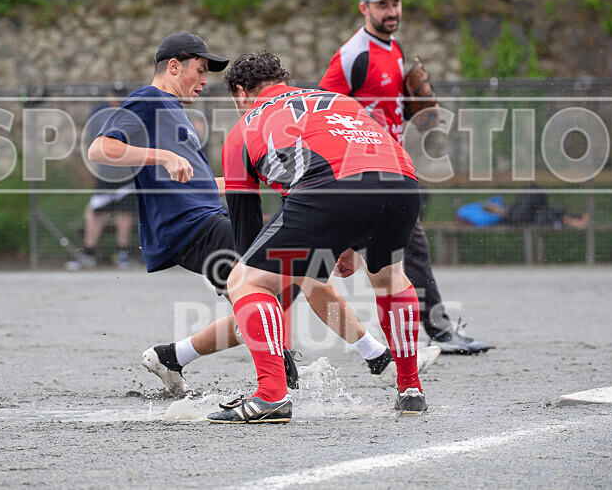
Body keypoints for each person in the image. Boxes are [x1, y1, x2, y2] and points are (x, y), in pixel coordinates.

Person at [86, 33, 439, 397]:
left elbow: (200, 184)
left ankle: (174, 357)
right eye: (200, 70)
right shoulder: (149, 99)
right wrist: (162, 157)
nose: (205, 80)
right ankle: (375, 357)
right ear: (173, 67)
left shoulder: (176, 112)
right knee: (304, 274)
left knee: (268, 294)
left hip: (205, 218)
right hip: (191, 228)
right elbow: (100, 149)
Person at [210, 50, 428, 424]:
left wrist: (248, 286)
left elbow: (247, 227)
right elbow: (359, 160)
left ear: (241, 93)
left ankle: (271, 396)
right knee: (389, 278)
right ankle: (411, 389)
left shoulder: (243, 128)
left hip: (331, 187)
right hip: (403, 181)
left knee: (245, 281)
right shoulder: (337, 100)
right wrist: (345, 239)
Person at [319, 0, 491, 354]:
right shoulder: (353, 55)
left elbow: (394, 107)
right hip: (361, 172)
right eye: (382, 5)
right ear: (364, 8)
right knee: (321, 256)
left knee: (407, 254)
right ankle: (269, 319)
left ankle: (437, 332)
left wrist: (410, 109)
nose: (392, 11)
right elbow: (323, 108)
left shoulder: (394, 50)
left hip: (393, 170)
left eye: (395, 3)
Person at [66, 93, 136, 270]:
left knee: (125, 212)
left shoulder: (133, 113)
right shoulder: (100, 114)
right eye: (115, 97)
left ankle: (122, 254)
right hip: (106, 175)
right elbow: (93, 142)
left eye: (121, 98)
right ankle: (88, 253)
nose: (117, 101)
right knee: (95, 212)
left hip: (126, 175)